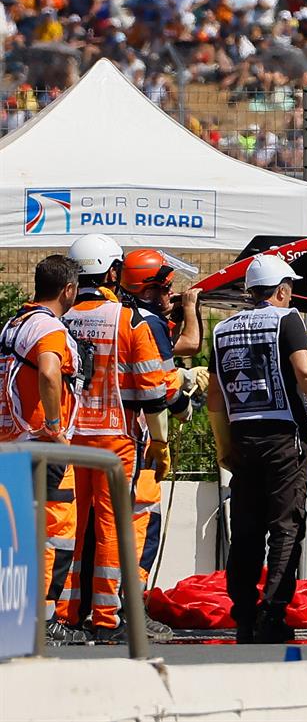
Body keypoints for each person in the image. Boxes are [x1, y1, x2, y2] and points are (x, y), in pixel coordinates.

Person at [55, 235, 187, 642]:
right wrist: (180, 393)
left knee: (76, 528)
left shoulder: (61, 318)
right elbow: (154, 392)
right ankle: (108, 618)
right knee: (116, 526)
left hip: (70, 436)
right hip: (118, 439)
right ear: (113, 272)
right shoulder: (129, 321)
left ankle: (67, 611)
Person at [208, 253, 307, 643]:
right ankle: (273, 613)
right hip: (284, 439)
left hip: (243, 439)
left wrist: (223, 444)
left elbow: (215, 396)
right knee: (285, 528)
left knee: (246, 529)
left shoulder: (223, 328)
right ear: (282, 290)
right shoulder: (287, 319)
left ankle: (244, 615)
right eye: (290, 288)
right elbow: (306, 371)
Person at [0, 254, 82, 640]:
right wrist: (55, 426)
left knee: (14, 534)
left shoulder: (14, 323)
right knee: (56, 531)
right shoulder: (47, 328)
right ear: (68, 289)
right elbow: (50, 372)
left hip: (12, 442)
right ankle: (44, 621)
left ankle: (15, 616)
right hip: (41, 444)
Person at [119, 248, 204, 599]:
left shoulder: (119, 315)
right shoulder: (147, 323)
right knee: (143, 523)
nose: (170, 295)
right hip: (133, 437)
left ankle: (94, 612)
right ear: (149, 289)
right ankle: (130, 608)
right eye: (166, 289)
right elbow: (160, 387)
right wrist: (182, 408)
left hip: (98, 435)